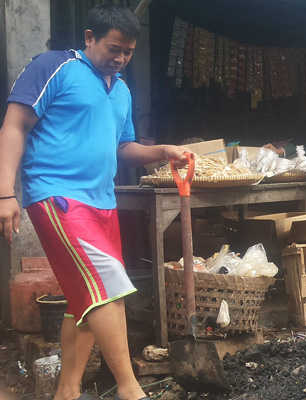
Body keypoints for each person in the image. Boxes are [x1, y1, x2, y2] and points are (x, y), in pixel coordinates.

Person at [0, 5, 189, 400]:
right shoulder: (54, 67)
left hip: (102, 203)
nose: (120, 58)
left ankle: (67, 392)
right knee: (108, 289)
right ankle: (129, 388)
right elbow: (15, 124)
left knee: (84, 299)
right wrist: (5, 193)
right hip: (58, 197)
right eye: (113, 48)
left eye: (128, 52)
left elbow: (124, 147)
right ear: (89, 38)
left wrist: (163, 151)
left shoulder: (120, 89)